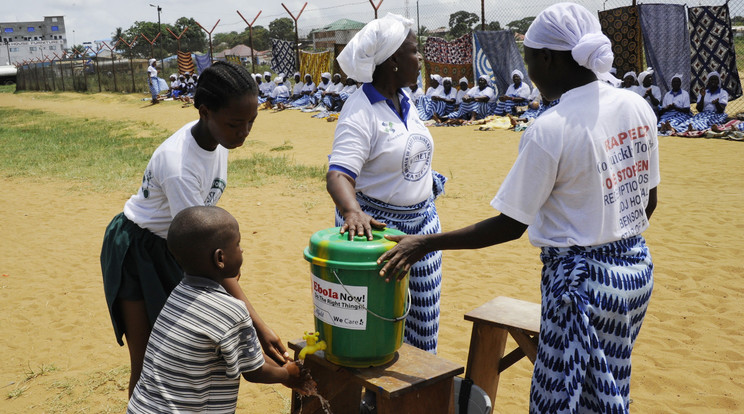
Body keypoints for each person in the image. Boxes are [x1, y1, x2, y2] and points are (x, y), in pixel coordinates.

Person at [378, 4, 659, 413]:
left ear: (548, 57)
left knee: (560, 399)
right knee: (606, 389)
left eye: (529, 60)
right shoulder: (637, 107)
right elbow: (649, 201)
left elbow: (509, 226)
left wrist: (425, 243)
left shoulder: (551, 128)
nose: (529, 72)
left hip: (581, 289)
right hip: (634, 276)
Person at [100, 61, 289, 398]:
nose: (244, 132)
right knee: (148, 365)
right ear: (204, 112)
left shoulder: (218, 140)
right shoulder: (180, 165)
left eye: (251, 123)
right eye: (236, 124)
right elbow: (207, 253)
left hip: (178, 247)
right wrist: (259, 325)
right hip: (139, 250)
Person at [330, 12, 446, 357]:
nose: (420, 57)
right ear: (393, 60)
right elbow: (339, 174)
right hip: (382, 232)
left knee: (423, 322)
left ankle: (420, 395)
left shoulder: (407, 103)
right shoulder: (361, 110)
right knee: (381, 324)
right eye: (414, 50)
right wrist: (352, 211)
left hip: (423, 226)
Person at [127, 206, 315, 413]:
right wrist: (288, 375)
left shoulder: (178, 293)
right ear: (220, 258)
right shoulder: (231, 311)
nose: (241, 250)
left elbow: (245, 354)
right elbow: (254, 371)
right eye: (237, 244)